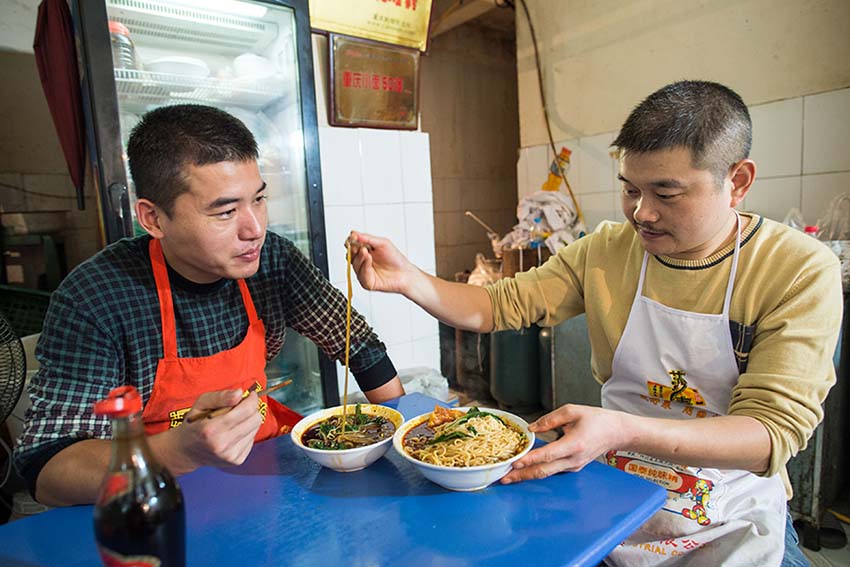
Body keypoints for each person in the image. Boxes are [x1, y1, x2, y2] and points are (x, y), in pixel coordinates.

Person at [348, 81, 840, 565]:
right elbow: (499, 305)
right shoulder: (608, 250)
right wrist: (410, 279)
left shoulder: (795, 269)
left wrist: (620, 429)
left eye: (666, 194)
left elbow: (769, 436)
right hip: (612, 491)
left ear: (737, 181)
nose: (641, 213)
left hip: (729, 513)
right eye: (630, 189)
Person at [14, 104, 403, 507]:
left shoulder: (273, 261)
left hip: (265, 473)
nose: (254, 229)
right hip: (152, 498)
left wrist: (403, 435)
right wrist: (178, 451)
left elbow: (356, 341)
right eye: (226, 211)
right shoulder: (98, 296)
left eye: (259, 200)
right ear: (153, 218)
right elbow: (49, 469)